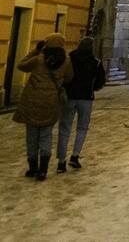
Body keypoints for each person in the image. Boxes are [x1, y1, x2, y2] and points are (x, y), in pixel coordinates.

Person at [14, 33, 73, 181]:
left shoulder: (39, 59)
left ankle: (32, 167)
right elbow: (69, 78)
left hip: (32, 101)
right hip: (51, 102)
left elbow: (22, 65)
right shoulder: (65, 61)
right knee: (46, 136)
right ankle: (43, 169)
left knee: (32, 136)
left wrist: (36, 50)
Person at [57, 36, 105, 173]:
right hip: (86, 98)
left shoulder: (69, 58)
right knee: (82, 128)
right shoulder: (95, 62)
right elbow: (101, 80)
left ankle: (61, 161)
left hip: (70, 97)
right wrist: (92, 88)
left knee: (64, 128)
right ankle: (75, 156)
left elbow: (63, 75)